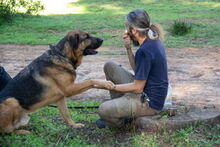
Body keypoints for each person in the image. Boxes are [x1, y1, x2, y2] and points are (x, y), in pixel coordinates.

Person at [96, 9, 168, 128]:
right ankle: (121, 109)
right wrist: (128, 48)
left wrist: (109, 86)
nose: (126, 30)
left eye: (128, 27)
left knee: (103, 109)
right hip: (144, 89)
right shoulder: (153, 39)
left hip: (149, 103)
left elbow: (137, 87)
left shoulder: (144, 51)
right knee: (110, 66)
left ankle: (123, 122)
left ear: (134, 31)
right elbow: (138, 70)